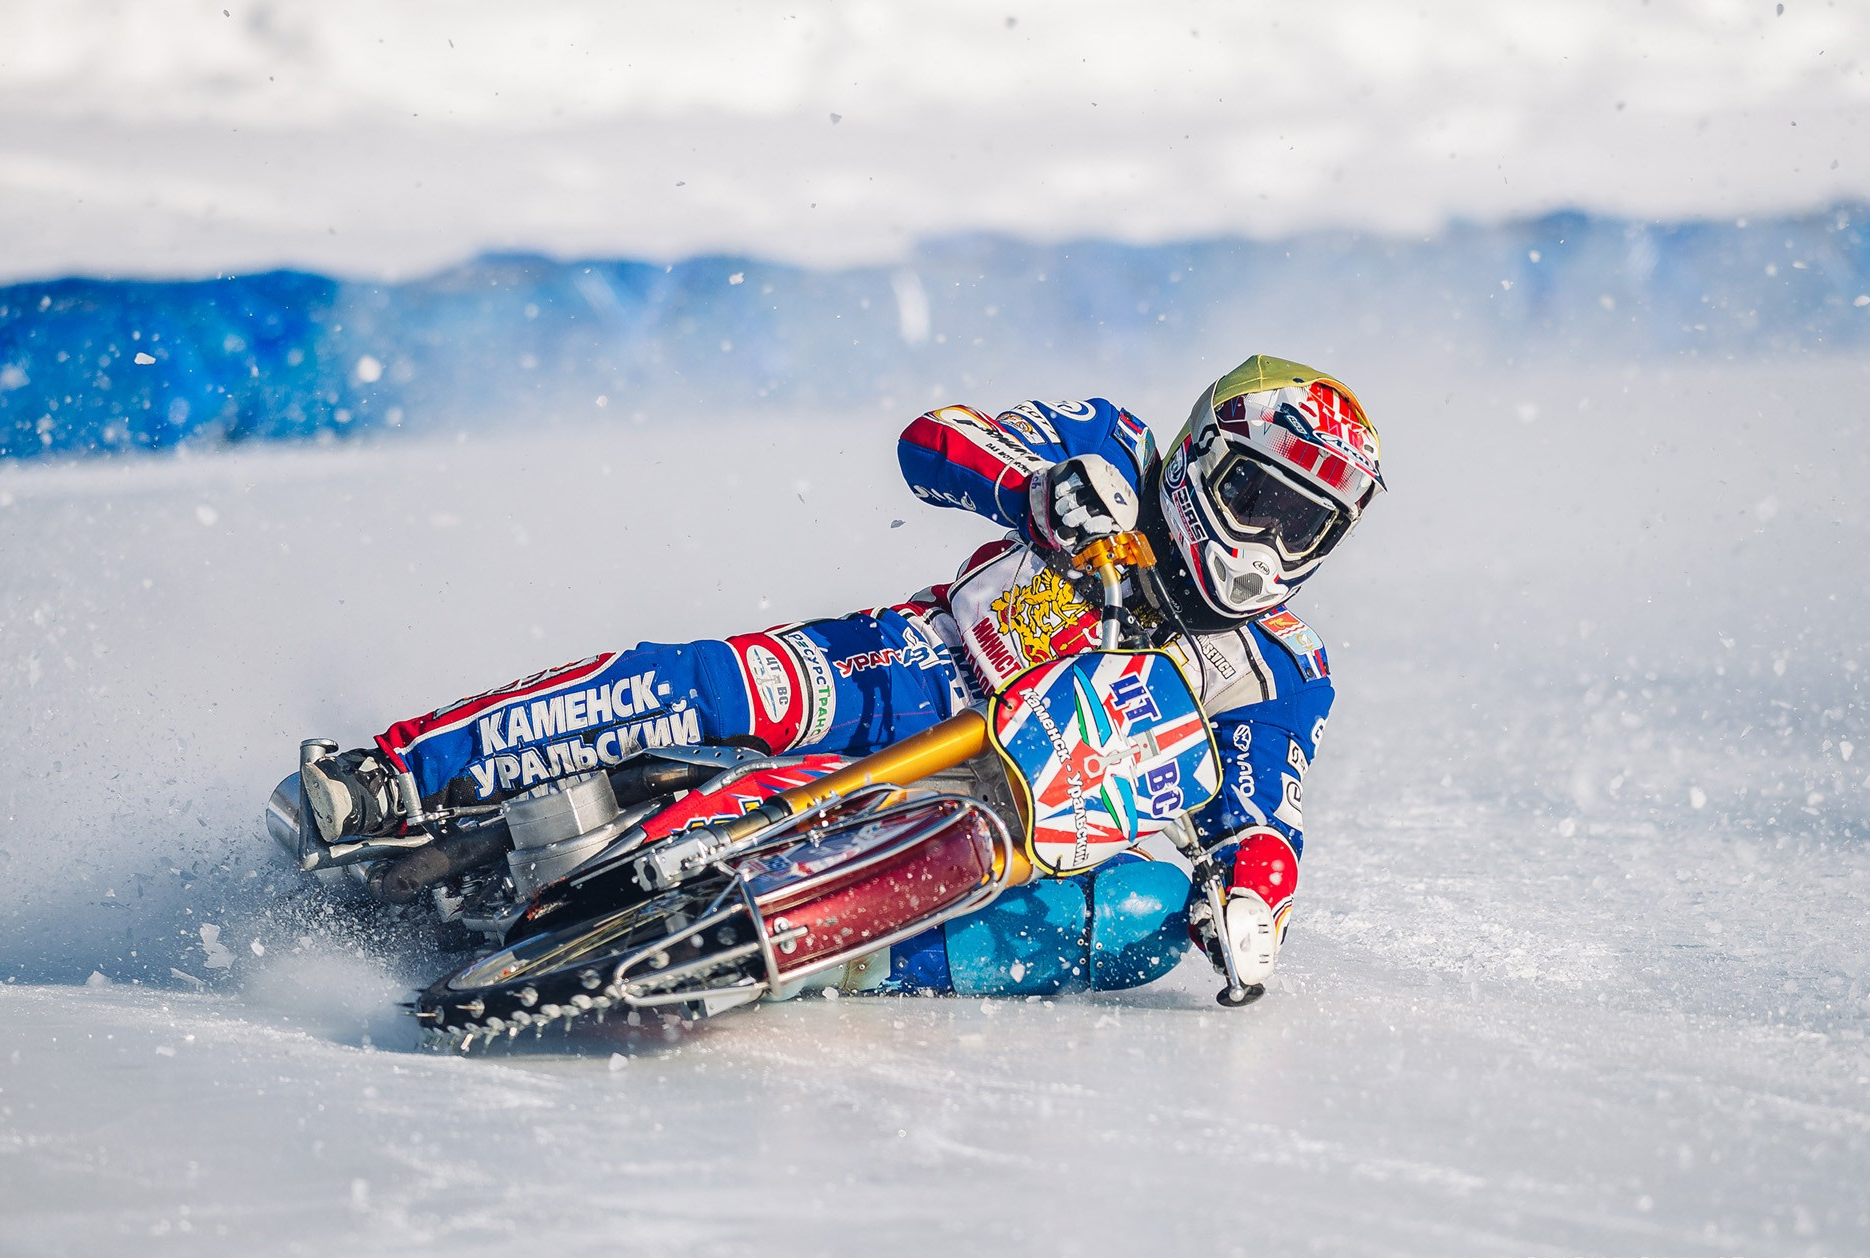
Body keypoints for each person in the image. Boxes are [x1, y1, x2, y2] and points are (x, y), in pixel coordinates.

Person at [302, 355, 1383, 999]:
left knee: (1145, 918)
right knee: (698, 683)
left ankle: (821, 956)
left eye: (1303, 529)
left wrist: (1251, 901)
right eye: (1255, 499)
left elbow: (1263, 811)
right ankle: (394, 772)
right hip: (906, 665)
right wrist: (1036, 486)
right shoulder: (1113, 451)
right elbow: (936, 438)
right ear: (1198, 457)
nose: (1265, 547)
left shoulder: (1280, 665)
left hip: (1008, 810)